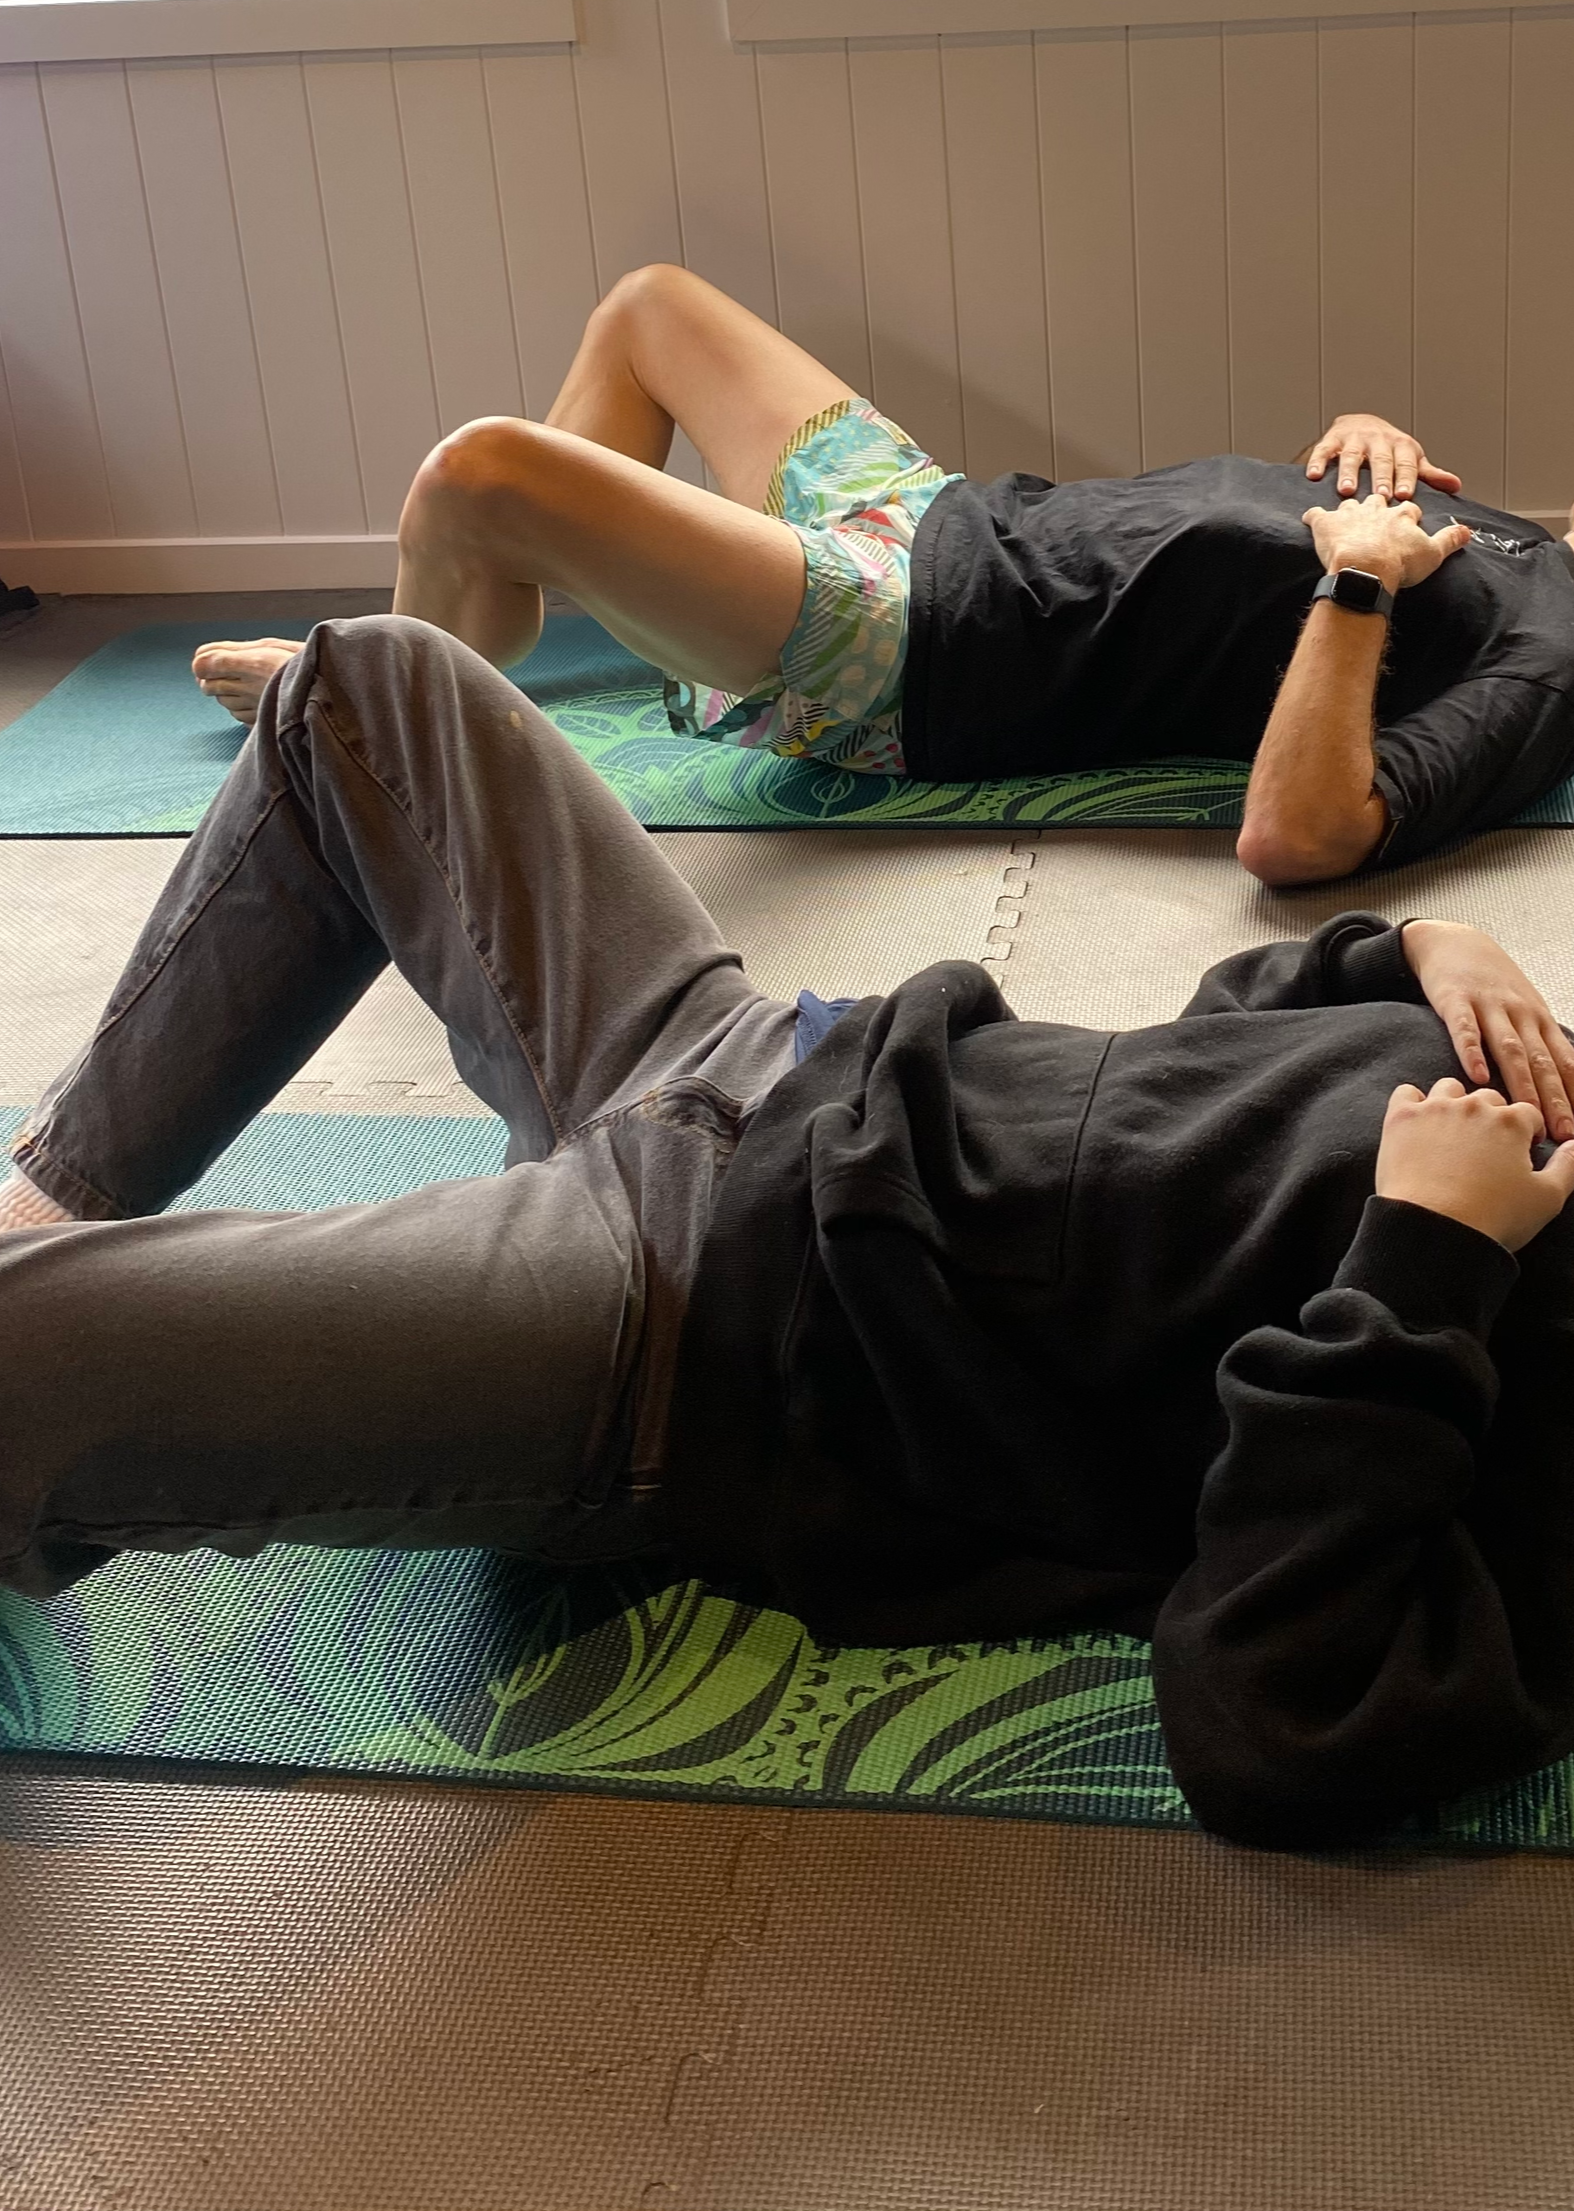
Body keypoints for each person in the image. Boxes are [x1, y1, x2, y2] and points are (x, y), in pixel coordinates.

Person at [7, 615, 1574, 1852]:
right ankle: (48, 1198)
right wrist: (1405, 951)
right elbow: (1193, 1067)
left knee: (25, 1353)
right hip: (767, 1057)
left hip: (701, 1325)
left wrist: (1423, 1265)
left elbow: (1263, 1713)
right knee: (366, 683)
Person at [189, 265, 1574, 887]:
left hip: (916, 641)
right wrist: (1349, 452)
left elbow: (1300, 836)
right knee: (648, 310)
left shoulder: (1548, 667)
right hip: (934, 514)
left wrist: (1357, 586)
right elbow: (1226, 584)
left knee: (479, 473)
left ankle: (374, 702)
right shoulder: (1534, 544)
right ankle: (464, 652)